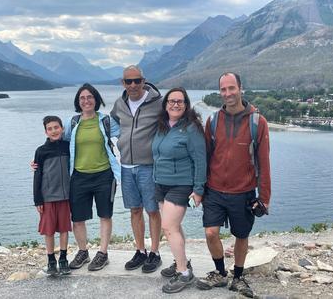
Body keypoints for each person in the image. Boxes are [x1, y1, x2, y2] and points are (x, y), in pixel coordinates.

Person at [196, 72, 271, 298]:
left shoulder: (258, 122)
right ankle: (220, 273)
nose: (227, 93)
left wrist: (264, 198)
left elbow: (264, 163)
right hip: (215, 190)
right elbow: (205, 157)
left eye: (231, 88)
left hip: (244, 191)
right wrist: (199, 188)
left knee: (241, 235)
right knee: (210, 233)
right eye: (223, 89)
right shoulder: (214, 120)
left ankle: (238, 277)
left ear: (240, 88)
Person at [152, 87, 206, 293]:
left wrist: (199, 189)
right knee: (174, 227)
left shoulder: (192, 128)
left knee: (168, 227)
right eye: (172, 101)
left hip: (180, 184)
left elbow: (200, 160)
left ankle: (184, 274)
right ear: (165, 104)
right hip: (160, 183)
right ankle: (181, 261)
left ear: (186, 105)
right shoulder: (162, 126)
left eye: (180, 102)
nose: (175, 104)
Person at [62, 83, 121, 271]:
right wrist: (39, 160)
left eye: (90, 97)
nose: (86, 101)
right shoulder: (72, 123)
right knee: (77, 218)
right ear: (78, 102)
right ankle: (83, 252)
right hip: (78, 176)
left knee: (105, 215)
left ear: (96, 100)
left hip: (104, 175)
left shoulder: (106, 121)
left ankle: (102, 253)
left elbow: (127, 137)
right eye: (82, 98)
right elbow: (59, 144)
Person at [110, 65, 162, 273]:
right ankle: (140, 250)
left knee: (152, 210)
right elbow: (109, 124)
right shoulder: (119, 104)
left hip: (148, 166)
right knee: (134, 209)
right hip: (126, 166)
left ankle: (155, 252)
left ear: (144, 81)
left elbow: (177, 119)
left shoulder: (157, 102)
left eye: (137, 80)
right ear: (123, 83)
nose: (133, 85)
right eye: (128, 81)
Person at [33, 115, 72, 275]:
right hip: (47, 197)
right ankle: (50, 260)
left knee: (64, 229)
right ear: (45, 132)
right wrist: (37, 199)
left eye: (56, 127)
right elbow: (37, 175)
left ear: (62, 128)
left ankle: (63, 259)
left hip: (65, 196)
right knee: (49, 231)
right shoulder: (41, 151)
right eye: (50, 129)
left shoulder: (68, 146)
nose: (54, 131)